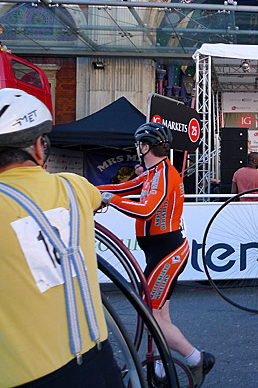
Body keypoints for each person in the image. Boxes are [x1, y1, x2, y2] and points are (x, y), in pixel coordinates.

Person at [0, 89, 124, 388]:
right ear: (41, 149)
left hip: (25, 375)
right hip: (98, 361)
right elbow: (99, 199)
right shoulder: (75, 188)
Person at [98, 122, 215, 387]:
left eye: (139, 144)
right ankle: (161, 367)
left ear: (146, 146)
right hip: (158, 250)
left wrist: (108, 200)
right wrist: (91, 189)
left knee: (149, 314)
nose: (137, 149)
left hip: (167, 251)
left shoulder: (164, 174)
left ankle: (198, 359)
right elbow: (124, 189)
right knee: (159, 315)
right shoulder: (152, 173)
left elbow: (147, 210)